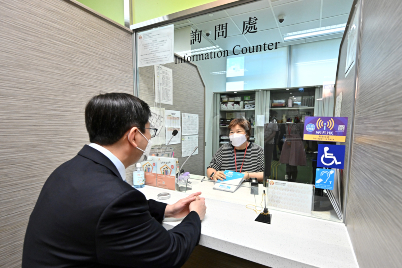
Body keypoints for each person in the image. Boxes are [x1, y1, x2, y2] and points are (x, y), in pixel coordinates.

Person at [22, 93, 206, 268]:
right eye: (150, 131)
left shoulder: (69, 170)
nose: (149, 138)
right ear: (134, 136)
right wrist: (195, 216)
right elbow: (170, 253)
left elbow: (102, 209)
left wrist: (166, 210)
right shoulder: (115, 198)